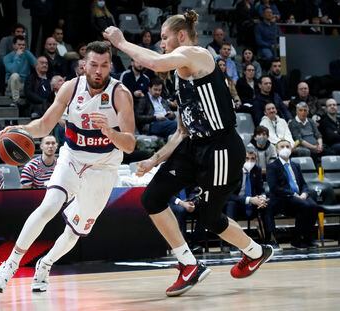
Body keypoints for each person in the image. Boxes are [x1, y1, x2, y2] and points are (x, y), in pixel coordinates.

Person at [104, 10, 273, 297]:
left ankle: (256, 252)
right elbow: (182, 130)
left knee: (210, 218)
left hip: (221, 149)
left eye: (164, 37)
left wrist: (121, 42)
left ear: (181, 36)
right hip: (193, 145)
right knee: (152, 198)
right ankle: (189, 263)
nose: (161, 43)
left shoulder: (197, 55)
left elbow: (154, 62)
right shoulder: (180, 79)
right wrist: (154, 159)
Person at [0, 41, 136, 293]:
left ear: (110, 65)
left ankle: (45, 264)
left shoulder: (120, 94)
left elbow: (130, 144)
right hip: (72, 158)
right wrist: (20, 130)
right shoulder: (70, 88)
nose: (99, 70)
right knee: (49, 205)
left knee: (76, 229)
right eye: (94, 65)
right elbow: (45, 125)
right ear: (84, 65)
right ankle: (10, 264)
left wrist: (109, 131)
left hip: (103, 167)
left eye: (104, 65)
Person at [266, 139, 319, 249]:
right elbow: (274, 188)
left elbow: (303, 183)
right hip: (283, 198)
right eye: (282, 146)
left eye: (287, 146)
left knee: (314, 206)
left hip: (299, 196)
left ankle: (308, 238)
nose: (285, 149)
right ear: (277, 150)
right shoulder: (272, 166)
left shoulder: (295, 165)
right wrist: (293, 194)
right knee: (305, 206)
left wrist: (304, 193)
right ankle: (296, 239)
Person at [224, 149, 279, 250]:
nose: (249, 161)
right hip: (237, 203)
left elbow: (260, 189)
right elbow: (228, 195)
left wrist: (262, 197)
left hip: (253, 203)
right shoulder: (233, 170)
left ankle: (270, 239)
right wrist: (249, 199)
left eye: (252, 159)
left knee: (267, 204)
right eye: (247, 158)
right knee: (231, 204)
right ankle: (230, 243)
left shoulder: (256, 169)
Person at [3, 36, 37, 105]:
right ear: (14, 45)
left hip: (25, 83)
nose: (21, 47)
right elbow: (13, 70)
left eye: (23, 45)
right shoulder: (7, 58)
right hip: (12, 83)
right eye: (19, 45)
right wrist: (17, 57)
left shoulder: (27, 53)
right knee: (15, 75)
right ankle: (16, 100)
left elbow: (37, 65)